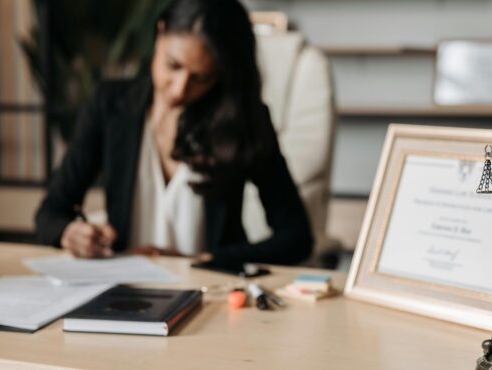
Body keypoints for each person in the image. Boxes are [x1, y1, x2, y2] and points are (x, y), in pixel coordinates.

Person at [35, 0, 313, 265]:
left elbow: (296, 237)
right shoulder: (109, 104)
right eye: (174, 65)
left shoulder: (241, 120)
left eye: (201, 77)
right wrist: (70, 234)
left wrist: (208, 261)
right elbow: (50, 213)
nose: (180, 89)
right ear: (160, 32)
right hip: (122, 294)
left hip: (212, 294)